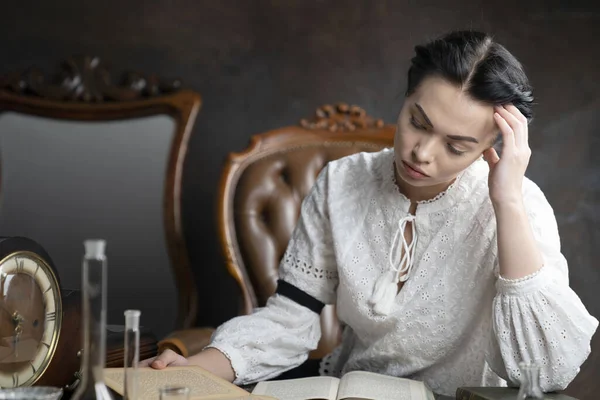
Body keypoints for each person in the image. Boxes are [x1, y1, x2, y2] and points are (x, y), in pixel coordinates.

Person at [141, 30, 598, 396]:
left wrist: (508, 201)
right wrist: (194, 369)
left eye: (456, 146)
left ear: (490, 147)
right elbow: (293, 318)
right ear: (403, 100)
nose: (422, 153)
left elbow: (547, 370)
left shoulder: (519, 204)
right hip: (347, 388)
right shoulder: (342, 182)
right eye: (417, 122)